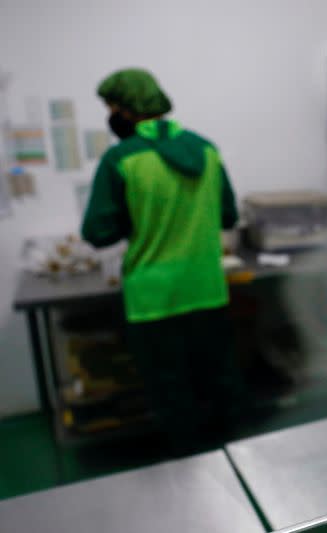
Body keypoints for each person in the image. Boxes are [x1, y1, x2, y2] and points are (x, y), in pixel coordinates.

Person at [81, 68, 245, 452]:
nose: (111, 115)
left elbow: (97, 232)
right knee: (219, 386)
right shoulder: (205, 148)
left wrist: (137, 215)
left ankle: (190, 471)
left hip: (153, 302)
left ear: (126, 109)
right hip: (207, 291)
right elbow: (228, 216)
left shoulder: (121, 159)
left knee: (173, 399)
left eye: (112, 107)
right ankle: (237, 467)